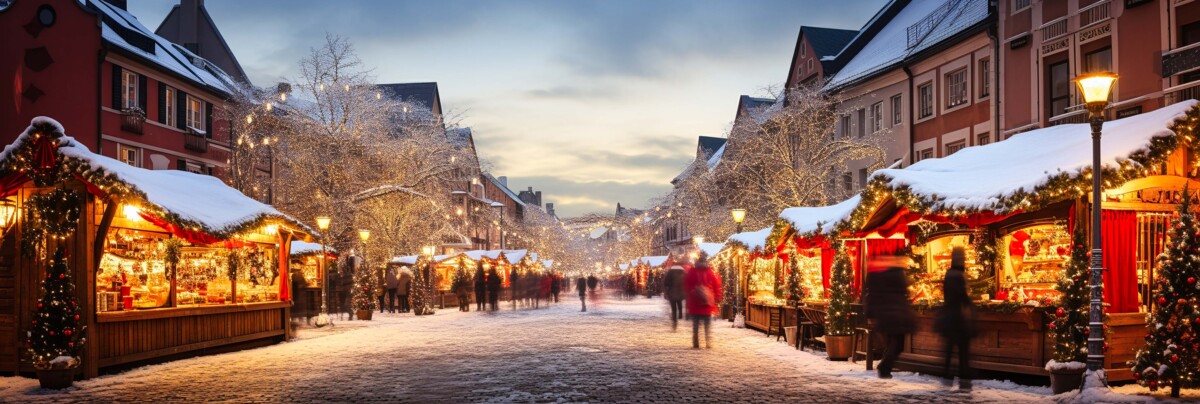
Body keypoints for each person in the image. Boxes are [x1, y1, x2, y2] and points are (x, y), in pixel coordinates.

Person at [865, 255, 916, 379]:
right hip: (897, 315)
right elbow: (905, 289)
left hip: (885, 316)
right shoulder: (898, 274)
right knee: (898, 344)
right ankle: (884, 367)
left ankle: (885, 367)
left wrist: (870, 314)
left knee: (891, 343)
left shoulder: (880, 277)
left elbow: (872, 296)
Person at [936, 247, 976, 390]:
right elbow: (962, 297)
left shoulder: (949, 274)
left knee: (949, 350)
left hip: (950, 317)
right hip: (959, 318)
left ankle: (947, 378)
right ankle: (964, 380)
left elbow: (948, 295)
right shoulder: (959, 275)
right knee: (963, 352)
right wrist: (971, 307)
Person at [684, 254, 722, 349]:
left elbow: (686, 285)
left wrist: (693, 291)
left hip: (695, 303)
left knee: (696, 325)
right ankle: (708, 342)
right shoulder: (710, 272)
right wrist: (717, 297)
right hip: (707, 304)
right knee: (707, 324)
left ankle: (696, 343)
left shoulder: (692, 272)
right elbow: (717, 285)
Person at [664, 263, 686, 331]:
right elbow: (686, 281)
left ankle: (674, 322)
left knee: (673, 308)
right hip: (680, 291)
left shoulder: (670, 272)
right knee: (679, 302)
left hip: (672, 292)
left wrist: (667, 290)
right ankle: (680, 315)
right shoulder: (683, 272)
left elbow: (666, 282)